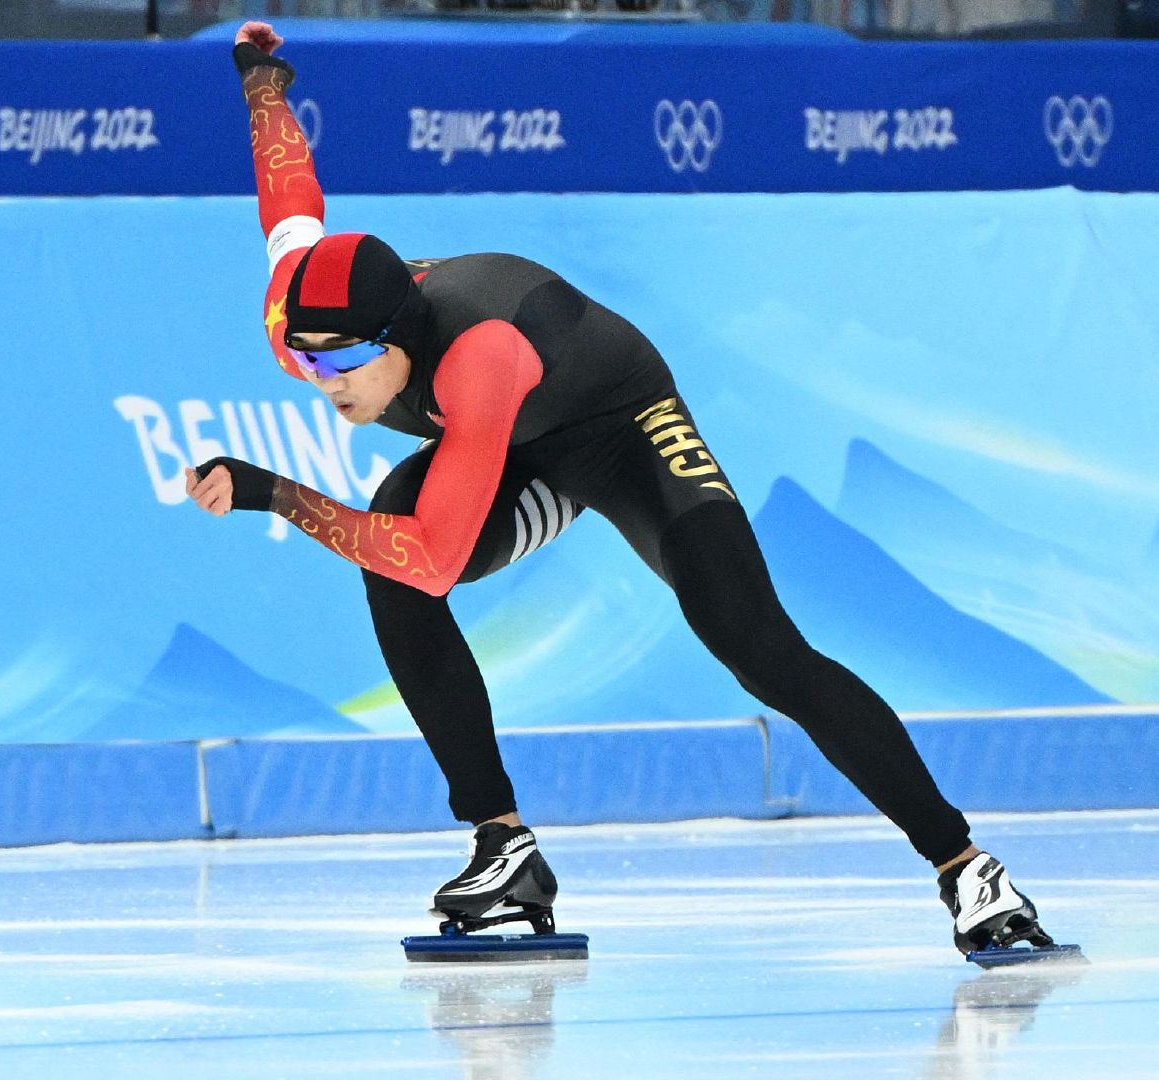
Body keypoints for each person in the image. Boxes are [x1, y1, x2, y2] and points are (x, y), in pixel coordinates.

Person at [184, 20, 1060, 957]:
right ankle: (500, 845)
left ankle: (963, 865)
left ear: (399, 336)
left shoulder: (477, 356)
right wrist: (264, 87)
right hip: (516, 448)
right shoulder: (302, 316)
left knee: (754, 644)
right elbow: (291, 202)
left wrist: (280, 496)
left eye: (352, 360)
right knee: (387, 557)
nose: (330, 382)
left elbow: (437, 559)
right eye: (311, 364)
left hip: (619, 428)